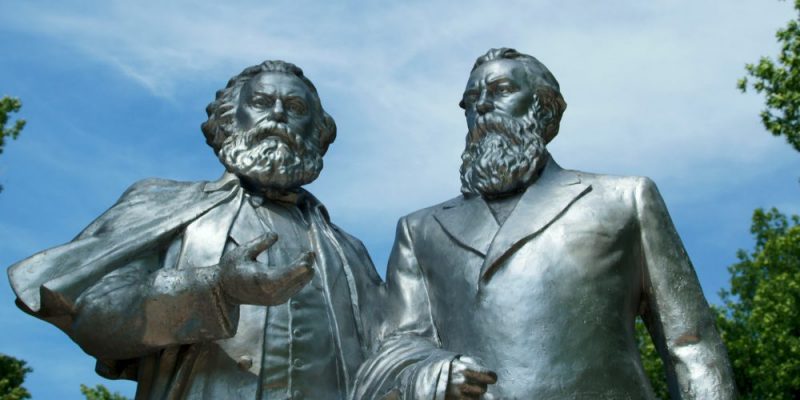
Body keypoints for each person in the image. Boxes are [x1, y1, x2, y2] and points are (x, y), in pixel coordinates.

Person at [352, 48, 736, 399]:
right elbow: (395, 348)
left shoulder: (624, 200)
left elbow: (690, 343)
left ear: (544, 109)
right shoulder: (421, 230)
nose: (482, 106)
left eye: (501, 90)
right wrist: (434, 376)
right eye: (471, 100)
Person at [8, 60, 382, 399]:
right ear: (230, 119)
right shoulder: (161, 203)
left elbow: (392, 353)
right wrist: (216, 287)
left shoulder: (351, 253)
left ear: (317, 131)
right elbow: (96, 316)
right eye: (262, 103)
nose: (278, 115)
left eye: (296, 108)